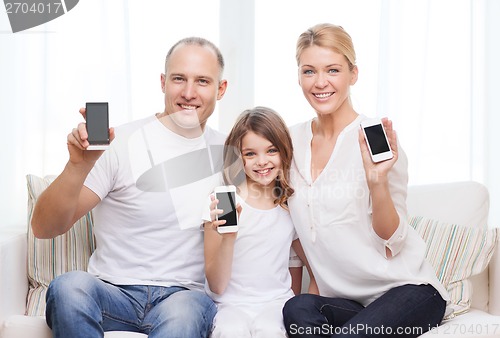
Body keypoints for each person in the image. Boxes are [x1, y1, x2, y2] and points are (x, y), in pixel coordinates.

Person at [31, 37, 228, 338]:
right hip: (112, 292)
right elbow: (44, 227)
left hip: (182, 297)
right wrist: (77, 166)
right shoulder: (120, 143)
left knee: (185, 316)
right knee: (68, 287)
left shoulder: (231, 155)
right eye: (179, 79)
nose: (189, 93)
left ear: (220, 89)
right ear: (163, 82)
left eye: (202, 81)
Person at [282, 23, 449, 338]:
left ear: (353, 74)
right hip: (349, 302)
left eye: (333, 70)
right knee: (297, 309)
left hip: (408, 292)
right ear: (299, 76)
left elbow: (392, 241)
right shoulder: (290, 142)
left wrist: (377, 182)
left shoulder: (373, 137)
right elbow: (296, 231)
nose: (320, 83)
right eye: (309, 71)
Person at [203, 107, 315, 338]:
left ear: (284, 152)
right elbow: (217, 286)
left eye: (271, 150)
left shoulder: (289, 203)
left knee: (270, 331)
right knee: (230, 331)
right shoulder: (222, 201)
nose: (262, 162)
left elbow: (307, 263)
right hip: (229, 305)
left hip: (275, 303)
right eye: (250, 154)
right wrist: (229, 237)